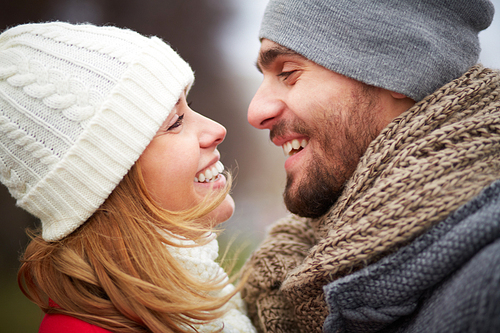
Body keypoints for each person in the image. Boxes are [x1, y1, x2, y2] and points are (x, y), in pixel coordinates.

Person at [241, 0, 500, 332]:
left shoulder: (489, 284)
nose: (255, 112)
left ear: (403, 69)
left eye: (288, 73)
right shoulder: (307, 261)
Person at [0, 21, 256, 333]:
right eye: (176, 122)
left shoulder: (206, 293)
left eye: (190, 108)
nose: (217, 130)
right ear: (107, 183)